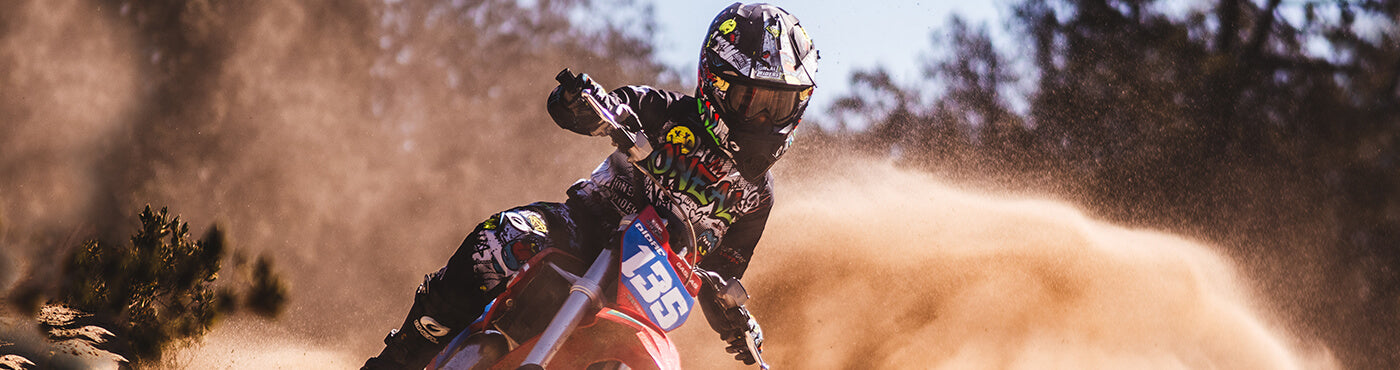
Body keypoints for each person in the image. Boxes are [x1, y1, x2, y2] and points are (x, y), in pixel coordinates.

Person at [363, 3, 818, 369]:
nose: (764, 119)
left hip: (647, 291)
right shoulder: (662, 112)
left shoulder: (757, 197)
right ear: (716, 83)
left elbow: (721, 274)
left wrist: (730, 309)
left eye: (780, 106)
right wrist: (581, 104)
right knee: (502, 236)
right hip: (581, 229)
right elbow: (599, 106)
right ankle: (404, 353)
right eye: (753, 100)